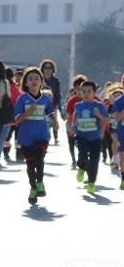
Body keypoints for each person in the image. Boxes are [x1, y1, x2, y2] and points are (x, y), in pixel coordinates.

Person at [15, 67, 58, 205]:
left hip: (42, 135)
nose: (34, 81)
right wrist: (28, 113)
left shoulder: (45, 99)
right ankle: (33, 188)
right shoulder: (22, 99)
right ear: (26, 83)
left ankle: (40, 182)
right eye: (30, 78)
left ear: (41, 82)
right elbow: (17, 119)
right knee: (30, 165)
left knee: (39, 157)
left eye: (36, 78)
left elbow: (50, 114)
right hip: (26, 137)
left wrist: (55, 122)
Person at [72, 80, 109, 194]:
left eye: (89, 91)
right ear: (80, 92)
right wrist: (74, 125)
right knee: (82, 155)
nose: (86, 94)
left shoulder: (99, 105)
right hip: (81, 136)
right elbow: (75, 115)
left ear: (94, 92)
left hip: (95, 138)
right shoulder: (78, 105)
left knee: (94, 161)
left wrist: (98, 115)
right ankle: (82, 168)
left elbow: (107, 120)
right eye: (84, 91)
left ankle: (91, 182)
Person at [66, 75, 86, 169]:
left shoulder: (90, 99)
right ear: (74, 89)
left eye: (82, 88)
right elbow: (69, 115)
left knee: (81, 145)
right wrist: (70, 127)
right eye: (78, 88)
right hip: (72, 124)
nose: (80, 91)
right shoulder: (72, 101)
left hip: (84, 127)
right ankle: (73, 158)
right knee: (71, 143)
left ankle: (80, 159)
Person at [40, 59, 62, 145]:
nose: (48, 70)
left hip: (52, 104)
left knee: (53, 120)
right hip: (41, 104)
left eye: (50, 68)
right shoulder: (39, 79)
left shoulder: (56, 81)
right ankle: (44, 136)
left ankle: (55, 137)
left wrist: (57, 105)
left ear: (53, 69)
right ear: (42, 69)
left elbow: (57, 94)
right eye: (46, 68)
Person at [112, 88, 124, 189]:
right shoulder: (119, 101)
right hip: (123, 133)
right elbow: (116, 118)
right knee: (123, 156)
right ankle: (123, 178)